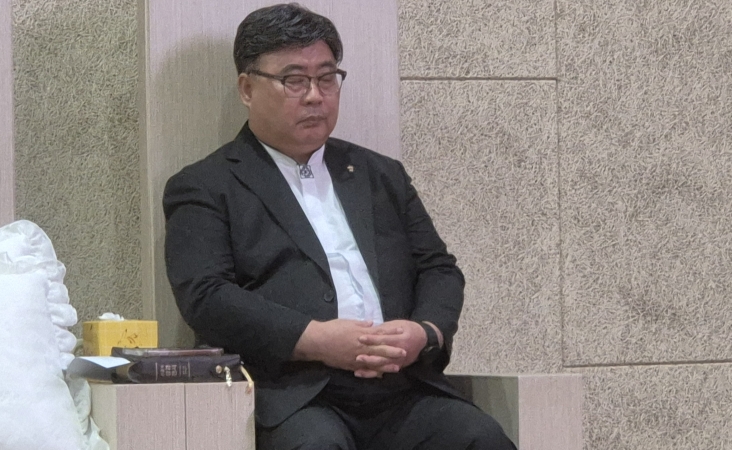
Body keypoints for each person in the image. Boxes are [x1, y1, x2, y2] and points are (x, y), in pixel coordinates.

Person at [163, 3, 516, 449]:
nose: (315, 96)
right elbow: (206, 296)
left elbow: (438, 268)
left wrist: (424, 332)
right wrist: (314, 339)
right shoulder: (206, 185)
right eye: (294, 80)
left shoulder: (380, 175)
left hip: (401, 389)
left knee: (479, 438)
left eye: (327, 77)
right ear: (247, 88)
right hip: (296, 396)